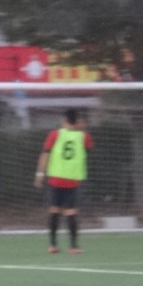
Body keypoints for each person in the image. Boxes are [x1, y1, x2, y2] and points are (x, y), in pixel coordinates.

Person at [34, 108, 93, 254]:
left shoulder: (55, 134)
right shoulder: (83, 137)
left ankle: (53, 245)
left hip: (55, 179)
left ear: (64, 120)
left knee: (54, 211)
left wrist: (40, 174)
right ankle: (74, 246)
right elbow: (89, 148)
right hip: (73, 181)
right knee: (71, 212)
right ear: (77, 121)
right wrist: (82, 129)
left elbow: (45, 154)